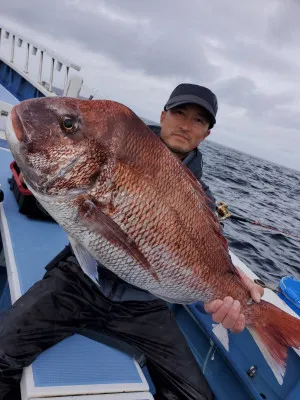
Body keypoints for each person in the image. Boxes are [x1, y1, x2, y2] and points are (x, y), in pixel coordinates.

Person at [0, 83, 264, 400]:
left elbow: (210, 250)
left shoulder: (202, 199)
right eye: (179, 113)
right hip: (78, 282)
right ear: (164, 115)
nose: (185, 124)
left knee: (196, 396)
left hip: (144, 304)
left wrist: (243, 282)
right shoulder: (115, 142)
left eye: (198, 120)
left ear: (206, 134)